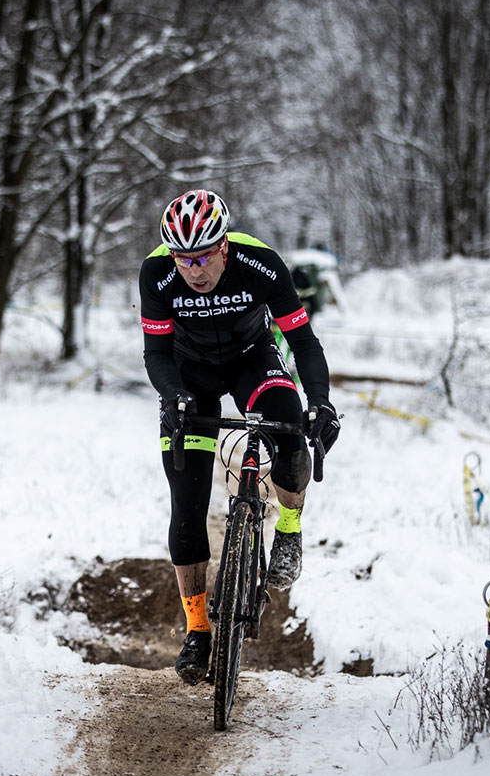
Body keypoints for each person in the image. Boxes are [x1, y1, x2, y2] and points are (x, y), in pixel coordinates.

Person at [139, 189, 340, 685]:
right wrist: (173, 396)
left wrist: (321, 402)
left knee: (291, 433)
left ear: (224, 246)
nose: (194, 270)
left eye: (204, 257)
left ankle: (288, 529)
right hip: (190, 376)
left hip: (253, 359)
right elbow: (157, 354)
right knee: (186, 503)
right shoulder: (156, 273)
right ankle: (198, 629)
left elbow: (304, 342)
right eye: (184, 260)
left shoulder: (261, 264)